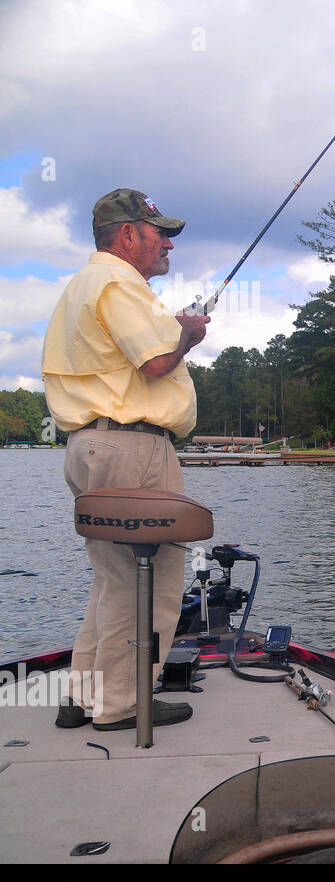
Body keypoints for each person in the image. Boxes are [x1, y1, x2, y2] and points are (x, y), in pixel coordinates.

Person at [41, 188, 210, 730]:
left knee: (113, 580)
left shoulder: (85, 285)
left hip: (93, 445)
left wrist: (177, 335)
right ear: (128, 234)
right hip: (131, 447)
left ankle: (84, 697)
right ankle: (122, 705)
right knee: (151, 583)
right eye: (161, 233)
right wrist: (187, 335)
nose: (169, 246)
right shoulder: (117, 281)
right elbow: (158, 361)